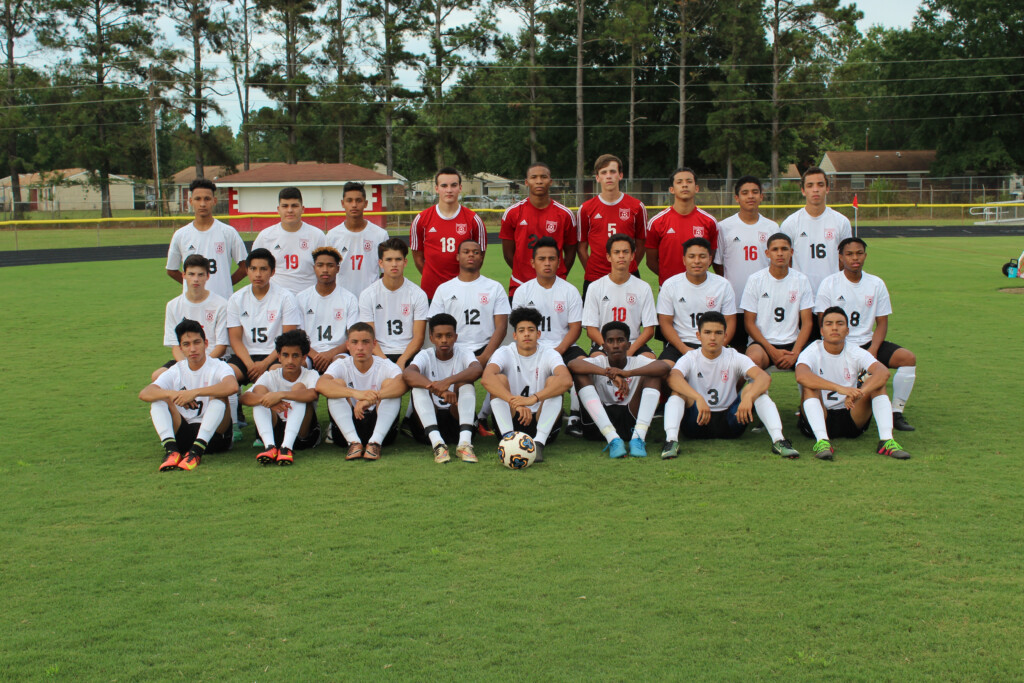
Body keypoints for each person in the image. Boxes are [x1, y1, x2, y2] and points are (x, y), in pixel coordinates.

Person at [660, 312, 799, 460]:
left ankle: (779, 440)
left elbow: (763, 377)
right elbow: (673, 378)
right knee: (678, 392)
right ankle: (671, 441)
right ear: (698, 336)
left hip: (730, 421)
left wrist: (748, 397)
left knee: (757, 390)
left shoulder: (734, 356)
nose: (713, 337)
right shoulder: (690, 357)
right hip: (697, 421)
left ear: (725, 335)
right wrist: (697, 397)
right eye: (707, 332)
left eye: (718, 333)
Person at [815, 237, 918, 431]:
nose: (855, 258)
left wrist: (873, 349)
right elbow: (824, 321)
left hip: (868, 344)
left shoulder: (876, 283)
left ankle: (896, 412)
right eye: (850, 254)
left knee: (908, 358)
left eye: (859, 253)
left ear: (865, 256)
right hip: (840, 346)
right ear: (840, 257)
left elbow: (882, 322)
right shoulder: (829, 284)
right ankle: (818, 406)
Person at [795, 307, 911, 460]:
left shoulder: (855, 351)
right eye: (829, 324)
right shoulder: (811, 351)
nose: (835, 327)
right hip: (821, 415)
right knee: (810, 386)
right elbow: (801, 376)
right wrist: (841, 389)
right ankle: (822, 441)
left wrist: (859, 393)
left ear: (848, 331)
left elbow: (883, 372)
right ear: (822, 331)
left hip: (852, 414)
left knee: (876, 383)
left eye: (840, 323)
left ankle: (886, 441)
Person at [510, 236, 587, 437]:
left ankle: (576, 416)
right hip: (531, 346)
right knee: (502, 368)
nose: (547, 263)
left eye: (552, 259)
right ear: (532, 262)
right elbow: (520, 327)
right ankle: (485, 415)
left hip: (564, 346)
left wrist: (558, 351)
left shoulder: (569, 291)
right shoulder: (523, 291)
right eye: (542, 259)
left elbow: (575, 328)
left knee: (582, 365)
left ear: (559, 262)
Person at [139, 319, 238, 472]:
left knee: (219, 397)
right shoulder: (176, 370)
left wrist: (194, 392)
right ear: (181, 349)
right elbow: (145, 393)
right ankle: (171, 451)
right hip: (184, 435)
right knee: (159, 399)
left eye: (196, 342)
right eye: (186, 344)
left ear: (205, 343)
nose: (193, 349)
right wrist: (174, 394)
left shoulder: (219, 366)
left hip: (215, 438)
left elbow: (232, 386)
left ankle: (196, 453)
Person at [481, 307, 574, 463]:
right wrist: (515, 403)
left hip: (541, 420)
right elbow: (486, 379)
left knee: (554, 382)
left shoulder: (549, 353)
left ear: (538, 334)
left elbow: (566, 380)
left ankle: (539, 444)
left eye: (531, 330)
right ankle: (508, 441)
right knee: (499, 380)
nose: (526, 334)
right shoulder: (504, 352)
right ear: (515, 335)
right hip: (512, 418)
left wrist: (533, 399)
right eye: (522, 330)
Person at [567, 321, 669, 458]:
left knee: (653, 375)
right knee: (580, 375)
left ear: (628, 345)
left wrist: (628, 373)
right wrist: (608, 373)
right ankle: (613, 439)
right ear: (604, 346)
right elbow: (573, 364)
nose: (615, 345)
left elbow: (664, 367)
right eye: (610, 341)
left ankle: (638, 437)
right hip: (598, 425)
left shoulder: (636, 361)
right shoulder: (599, 362)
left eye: (620, 340)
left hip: (630, 422)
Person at [318, 322, 407, 461]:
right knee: (336, 384)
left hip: (382, 430)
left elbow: (403, 383)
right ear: (348, 345)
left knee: (390, 385)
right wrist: (355, 393)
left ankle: (375, 443)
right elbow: (321, 384)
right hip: (346, 430)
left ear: (374, 344)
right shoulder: (341, 364)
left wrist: (371, 398)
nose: (360, 347)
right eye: (355, 342)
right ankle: (353, 443)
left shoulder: (384, 364)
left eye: (365, 342)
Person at [403, 313, 484, 463]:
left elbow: (477, 369)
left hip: (457, 423)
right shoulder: (425, 355)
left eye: (449, 335)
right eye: (439, 336)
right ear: (431, 338)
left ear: (456, 336)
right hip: (427, 427)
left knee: (465, 383)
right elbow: (408, 373)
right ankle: (438, 445)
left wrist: (448, 382)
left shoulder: (464, 352)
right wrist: (438, 389)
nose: (444, 340)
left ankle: (465, 444)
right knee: (418, 388)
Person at [713, 176, 778, 352]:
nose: (751, 196)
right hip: (735, 302)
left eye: (755, 192)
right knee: (737, 353)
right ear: (737, 198)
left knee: (762, 350)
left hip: (764, 302)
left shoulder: (772, 228)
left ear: (762, 196)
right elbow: (718, 265)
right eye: (745, 193)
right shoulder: (724, 227)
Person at [226, 248, 301, 393]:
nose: (258, 274)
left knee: (278, 373)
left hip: (275, 355)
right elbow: (235, 339)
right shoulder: (236, 299)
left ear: (272, 272)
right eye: (253, 269)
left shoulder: (285, 297)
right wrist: (250, 365)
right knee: (225, 374)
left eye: (263, 269)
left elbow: (288, 339)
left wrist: (264, 364)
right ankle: (235, 412)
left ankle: (279, 414)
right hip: (245, 356)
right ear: (247, 270)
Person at [241, 329, 321, 465]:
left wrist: (281, 395)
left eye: (295, 356)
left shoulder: (311, 374)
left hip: (303, 435)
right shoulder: (271, 375)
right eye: (285, 355)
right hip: (277, 433)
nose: (290, 360)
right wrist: (267, 400)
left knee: (299, 390)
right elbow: (244, 397)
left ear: (304, 358)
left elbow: (312, 394)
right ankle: (270, 446)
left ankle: (287, 448)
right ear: (279, 357)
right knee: (260, 393)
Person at [499, 162, 577, 297]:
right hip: (520, 283)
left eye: (543, 177)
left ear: (550, 181)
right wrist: (523, 272)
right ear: (527, 182)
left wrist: (557, 274)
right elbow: (508, 253)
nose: (539, 181)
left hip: (555, 285)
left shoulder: (565, 214)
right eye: (534, 177)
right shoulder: (513, 213)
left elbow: (570, 253)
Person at [428, 239, 510, 365]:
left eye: (476, 252)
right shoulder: (444, 289)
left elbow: (501, 327)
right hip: (454, 349)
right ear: (458, 257)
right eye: (466, 252)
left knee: (499, 378)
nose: (471, 255)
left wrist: (485, 356)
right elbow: (435, 325)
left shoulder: (494, 287)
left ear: (481, 257)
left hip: (486, 348)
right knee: (462, 384)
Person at [576, 154, 647, 299]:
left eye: (613, 171)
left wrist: (629, 264)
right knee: (593, 321)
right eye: (604, 172)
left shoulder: (636, 207)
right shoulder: (586, 209)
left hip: (628, 275)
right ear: (597, 177)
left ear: (620, 175)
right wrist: (592, 268)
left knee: (631, 320)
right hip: (595, 276)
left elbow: (641, 243)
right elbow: (581, 246)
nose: (609, 176)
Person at [410, 167, 488, 300]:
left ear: (460, 188)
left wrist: (462, 280)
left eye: (453, 185)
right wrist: (432, 278)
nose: (449, 190)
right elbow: (418, 258)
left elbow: (479, 258)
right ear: (436, 188)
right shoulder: (421, 219)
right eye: (444, 186)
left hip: (465, 290)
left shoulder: (473, 220)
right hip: (431, 291)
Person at [657, 237, 737, 363]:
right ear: (684, 260)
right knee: (663, 370)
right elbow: (665, 322)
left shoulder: (723, 285)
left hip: (713, 344)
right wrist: (684, 349)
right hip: (681, 345)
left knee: (740, 370)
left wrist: (718, 347)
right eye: (692, 256)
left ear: (710, 259)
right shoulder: (670, 285)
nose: (697, 261)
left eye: (702, 256)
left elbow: (730, 321)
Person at [166, 178, 247, 303]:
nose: (202, 204)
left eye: (207, 199)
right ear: (190, 201)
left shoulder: (228, 232)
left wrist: (225, 283)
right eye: (198, 199)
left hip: (222, 301)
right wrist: (191, 283)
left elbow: (245, 267)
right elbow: (171, 270)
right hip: (193, 303)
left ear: (214, 201)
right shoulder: (181, 235)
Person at [740, 233, 814, 372]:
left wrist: (796, 353)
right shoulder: (755, 280)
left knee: (813, 364)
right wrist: (771, 350)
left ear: (791, 252)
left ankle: (809, 395)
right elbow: (749, 323)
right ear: (767, 253)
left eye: (784, 249)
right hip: (763, 344)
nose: (780, 253)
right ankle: (751, 394)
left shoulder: (801, 280)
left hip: (793, 343)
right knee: (752, 361)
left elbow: (807, 322)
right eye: (775, 249)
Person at [154, 254, 229, 382]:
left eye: (200, 275)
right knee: (157, 376)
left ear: (207, 276)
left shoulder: (221, 304)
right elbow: (176, 346)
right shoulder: (173, 306)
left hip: (214, 360)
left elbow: (221, 346)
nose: (196, 279)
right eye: (191, 274)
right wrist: (186, 368)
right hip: (185, 361)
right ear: (183, 275)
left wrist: (202, 367)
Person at [357, 237, 429, 368]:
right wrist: (385, 362)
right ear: (380, 263)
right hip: (378, 353)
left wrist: (402, 360)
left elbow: (418, 338)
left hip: (409, 353)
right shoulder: (368, 295)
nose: (394, 264)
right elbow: (369, 337)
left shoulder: (418, 294)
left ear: (405, 262)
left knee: (420, 388)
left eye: (398, 259)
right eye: (389, 260)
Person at [779, 166, 852, 295]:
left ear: (827, 189)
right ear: (803, 190)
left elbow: (846, 259)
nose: (815, 189)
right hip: (801, 295)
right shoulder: (790, 223)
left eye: (820, 185)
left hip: (833, 294)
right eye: (810, 185)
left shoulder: (841, 221)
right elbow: (786, 260)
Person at [581, 234, 657, 358]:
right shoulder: (595, 287)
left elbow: (649, 330)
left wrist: (630, 351)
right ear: (609, 257)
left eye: (625, 252)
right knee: (595, 359)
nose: (621, 255)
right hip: (605, 343)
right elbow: (591, 329)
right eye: (616, 252)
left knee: (651, 359)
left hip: (632, 342)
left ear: (632, 256)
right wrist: (608, 347)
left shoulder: (643, 287)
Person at [646, 167, 718, 286]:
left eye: (689, 181)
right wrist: (671, 280)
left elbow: (710, 257)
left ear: (696, 188)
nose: (684, 185)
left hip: (699, 287)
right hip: (668, 289)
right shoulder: (657, 222)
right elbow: (651, 261)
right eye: (679, 182)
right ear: (672, 189)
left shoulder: (710, 221)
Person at [251, 187, 326, 294]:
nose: (290, 210)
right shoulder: (265, 236)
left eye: (294, 206)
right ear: (278, 209)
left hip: (308, 299)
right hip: (276, 300)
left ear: (303, 209)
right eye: (285, 206)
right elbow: (254, 270)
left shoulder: (317, 236)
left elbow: (326, 271)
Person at [295, 246, 360, 373]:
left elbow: (353, 337)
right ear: (314, 268)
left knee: (342, 365)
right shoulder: (301, 298)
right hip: (309, 353)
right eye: (320, 265)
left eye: (330, 265)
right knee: (296, 365)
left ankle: (344, 393)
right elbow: (299, 337)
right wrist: (316, 356)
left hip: (337, 353)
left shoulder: (349, 298)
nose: (325, 270)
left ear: (337, 269)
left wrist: (329, 354)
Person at [325, 181, 390, 298]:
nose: (354, 205)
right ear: (342, 203)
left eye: (358, 200)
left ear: (365, 203)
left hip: (372, 299)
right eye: (349, 200)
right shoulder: (332, 236)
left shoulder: (380, 235)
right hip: (341, 299)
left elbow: (386, 273)